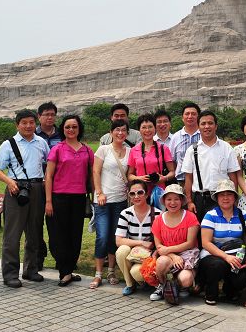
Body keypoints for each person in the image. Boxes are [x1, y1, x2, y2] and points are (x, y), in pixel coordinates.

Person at [0, 109, 49, 288]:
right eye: (24, 123)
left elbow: (48, 164)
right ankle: (10, 274)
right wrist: (9, 182)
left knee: (34, 232)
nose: (28, 126)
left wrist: (45, 181)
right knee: (12, 234)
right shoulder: (8, 144)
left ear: (35, 124)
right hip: (16, 189)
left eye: (31, 122)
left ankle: (31, 269)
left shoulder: (41, 142)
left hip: (37, 188)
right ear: (17, 125)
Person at [44, 115, 94, 286]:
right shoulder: (57, 149)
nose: (71, 130)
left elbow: (92, 176)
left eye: (74, 126)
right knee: (58, 235)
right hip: (59, 197)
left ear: (79, 129)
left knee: (75, 235)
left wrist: (94, 196)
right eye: (67, 127)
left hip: (78, 198)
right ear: (62, 129)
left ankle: (69, 270)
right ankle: (64, 270)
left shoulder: (87, 150)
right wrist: (48, 201)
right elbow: (49, 176)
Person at [90, 119, 131, 289]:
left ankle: (111, 271)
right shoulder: (104, 149)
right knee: (102, 236)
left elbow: (130, 175)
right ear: (111, 132)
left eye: (123, 130)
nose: (120, 133)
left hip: (121, 201)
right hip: (103, 201)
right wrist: (99, 192)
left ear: (127, 133)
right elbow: (95, 171)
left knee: (115, 237)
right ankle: (98, 274)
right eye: (117, 130)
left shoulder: (130, 151)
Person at [198, 179, 246, 305]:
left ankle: (230, 291)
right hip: (212, 254)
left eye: (229, 194)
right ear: (217, 198)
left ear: (234, 197)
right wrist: (226, 257)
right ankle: (210, 293)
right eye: (222, 195)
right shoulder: (210, 215)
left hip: (235, 255)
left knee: (244, 278)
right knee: (218, 265)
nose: (225, 198)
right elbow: (206, 243)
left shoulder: (243, 215)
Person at [183, 110, 239, 221]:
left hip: (222, 198)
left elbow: (233, 176)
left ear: (216, 126)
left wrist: (234, 199)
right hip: (200, 199)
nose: (207, 126)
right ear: (198, 127)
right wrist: (189, 202)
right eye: (203, 124)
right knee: (201, 230)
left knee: (222, 229)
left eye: (210, 123)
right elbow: (188, 178)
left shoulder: (226, 147)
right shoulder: (192, 150)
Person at [150, 184, 200, 302]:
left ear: (182, 200)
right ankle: (163, 286)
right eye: (169, 199)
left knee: (185, 279)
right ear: (164, 201)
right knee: (162, 262)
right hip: (167, 255)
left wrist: (168, 249)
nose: (172, 203)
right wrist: (173, 256)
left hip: (187, 254)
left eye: (176, 199)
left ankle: (178, 287)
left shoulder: (190, 217)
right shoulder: (158, 220)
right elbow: (159, 246)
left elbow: (190, 243)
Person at [115, 180, 163, 296]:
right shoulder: (125, 213)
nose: (136, 196)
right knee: (121, 250)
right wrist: (141, 243)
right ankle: (130, 284)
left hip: (149, 254)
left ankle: (144, 281)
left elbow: (163, 240)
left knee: (136, 272)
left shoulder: (158, 214)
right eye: (132, 194)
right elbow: (119, 240)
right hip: (133, 252)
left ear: (146, 194)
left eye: (140, 193)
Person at [127, 113, 175, 205]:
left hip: (159, 192)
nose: (147, 130)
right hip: (140, 193)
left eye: (150, 127)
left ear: (155, 128)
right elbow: (129, 175)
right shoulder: (134, 150)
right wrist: (139, 178)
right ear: (139, 130)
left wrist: (164, 178)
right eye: (144, 127)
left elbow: (172, 172)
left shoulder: (163, 148)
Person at [35, 101, 60, 270]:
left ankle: (60, 256)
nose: (50, 117)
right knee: (35, 223)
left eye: (52, 114)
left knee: (56, 224)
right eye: (46, 114)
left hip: (58, 185)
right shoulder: (32, 134)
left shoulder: (62, 134)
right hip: (37, 184)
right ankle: (38, 256)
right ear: (39, 116)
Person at [168, 102, 201, 185]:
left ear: (199, 117)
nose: (190, 116)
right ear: (182, 118)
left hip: (202, 180)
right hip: (181, 181)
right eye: (187, 114)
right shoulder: (175, 137)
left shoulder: (204, 135)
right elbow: (172, 161)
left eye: (193, 114)